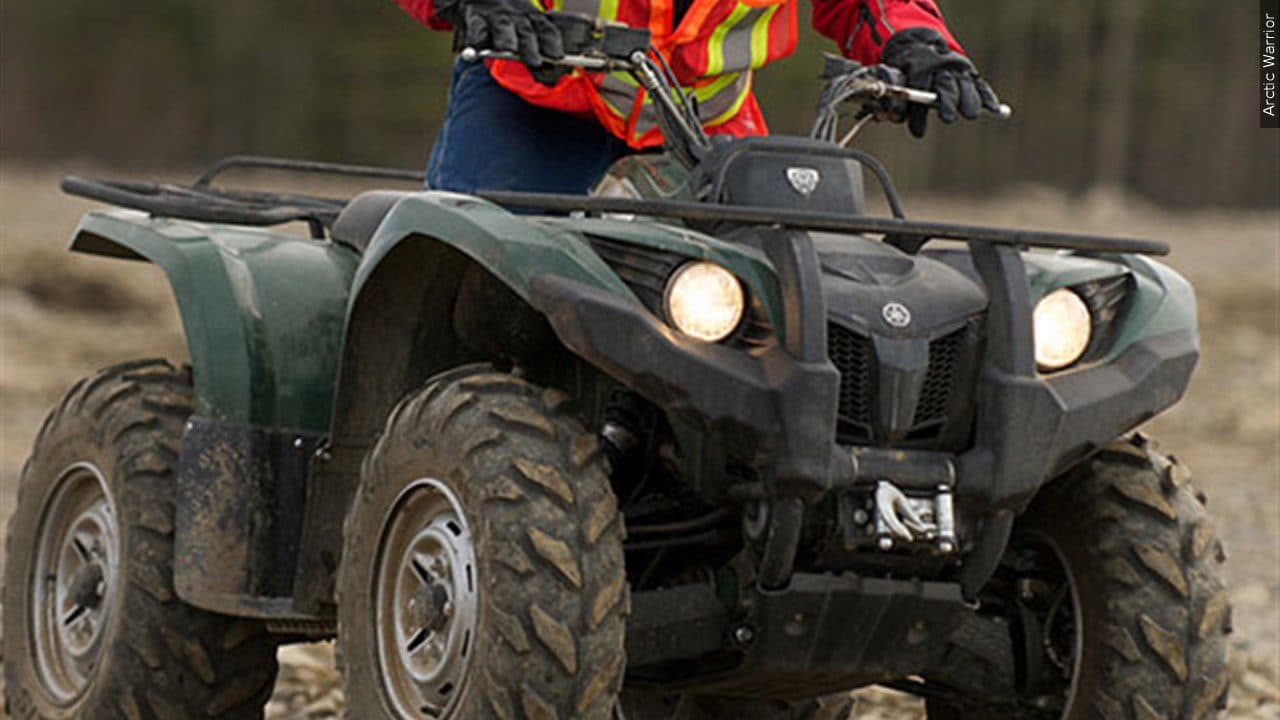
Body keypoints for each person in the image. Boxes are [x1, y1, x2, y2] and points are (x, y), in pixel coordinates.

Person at [394, 0, 1000, 194]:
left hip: (708, 130)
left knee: (782, 313)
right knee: (473, 302)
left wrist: (917, 43)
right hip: (536, 104)